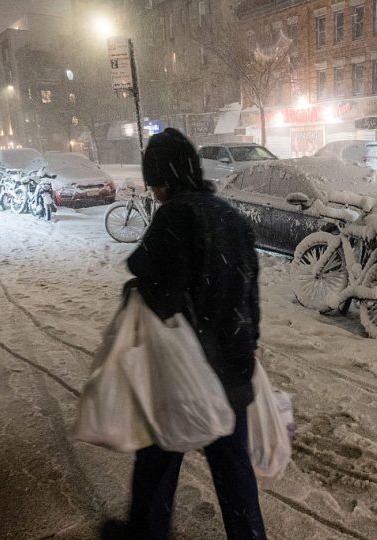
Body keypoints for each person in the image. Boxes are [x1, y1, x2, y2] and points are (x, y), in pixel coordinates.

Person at [102, 128, 266, 540]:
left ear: (165, 176)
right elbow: (250, 297)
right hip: (233, 368)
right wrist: (244, 351)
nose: (152, 190)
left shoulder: (175, 216)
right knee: (235, 477)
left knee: (157, 462)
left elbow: (161, 295)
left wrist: (135, 292)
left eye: (153, 180)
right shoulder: (228, 215)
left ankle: (145, 533)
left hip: (184, 373)